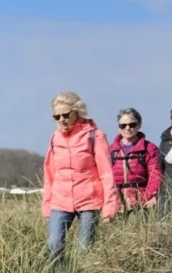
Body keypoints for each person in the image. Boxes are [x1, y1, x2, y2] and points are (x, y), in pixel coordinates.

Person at [42, 91, 118, 263]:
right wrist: (46, 204)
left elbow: (106, 173)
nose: (62, 120)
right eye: (57, 117)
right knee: (54, 245)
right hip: (60, 201)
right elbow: (49, 175)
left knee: (84, 249)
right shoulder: (54, 138)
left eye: (66, 115)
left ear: (77, 112)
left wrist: (109, 206)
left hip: (89, 201)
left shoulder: (95, 136)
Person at [108, 107, 162, 212]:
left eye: (132, 125)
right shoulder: (110, 150)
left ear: (139, 125)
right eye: (123, 125)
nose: (127, 128)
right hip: (115, 206)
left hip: (140, 205)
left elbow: (155, 175)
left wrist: (149, 197)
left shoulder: (149, 148)